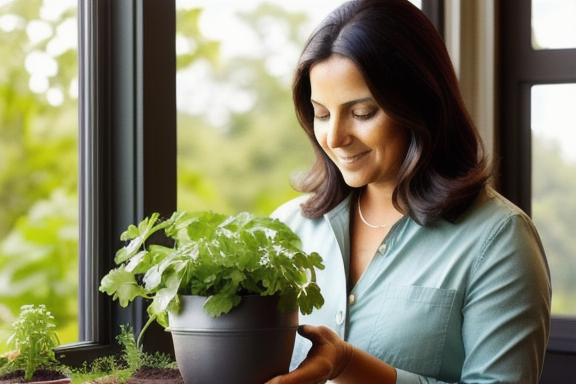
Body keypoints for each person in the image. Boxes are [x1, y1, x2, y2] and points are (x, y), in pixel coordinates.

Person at [266, 0, 552, 383]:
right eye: (321, 113)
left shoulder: (499, 239)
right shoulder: (286, 228)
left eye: (362, 113)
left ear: (419, 104)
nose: (335, 138)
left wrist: (349, 365)